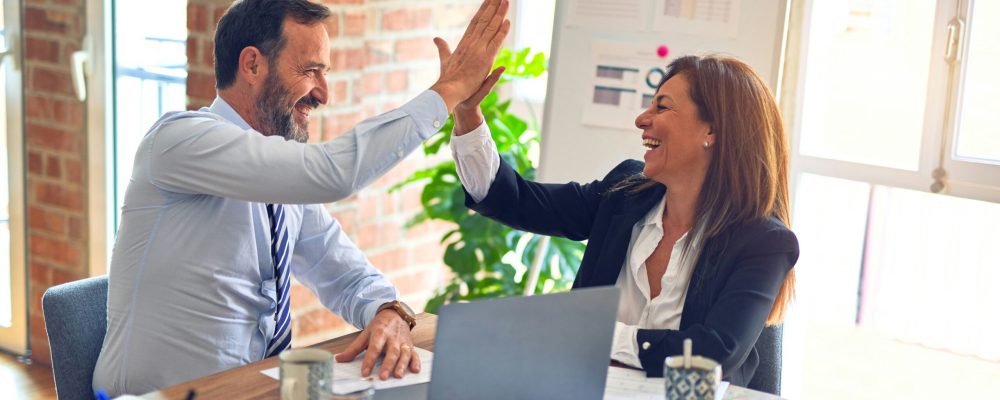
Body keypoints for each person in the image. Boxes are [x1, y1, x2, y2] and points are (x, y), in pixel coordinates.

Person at [93, 0, 511, 395]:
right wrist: (449, 90)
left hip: (253, 390)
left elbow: (345, 274)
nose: (323, 94)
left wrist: (387, 311)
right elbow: (332, 173)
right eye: (311, 71)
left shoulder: (280, 182)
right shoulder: (179, 141)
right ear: (252, 64)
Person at [449, 54, 799, 386]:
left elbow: (712, 354)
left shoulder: (764, 243)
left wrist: (596, 335)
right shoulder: (625, 193)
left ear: (712, 131)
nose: (642, 119)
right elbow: (516, 201)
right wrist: (467, 112)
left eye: (662, 106)